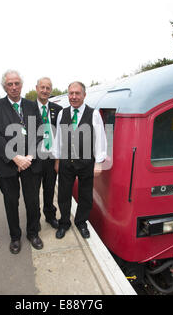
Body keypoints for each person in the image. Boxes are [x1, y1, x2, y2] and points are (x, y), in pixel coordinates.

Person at [0, 70, 43, 254]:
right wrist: (15, 157)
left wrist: (29, 156)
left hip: (30, 163)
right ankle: (15, 237)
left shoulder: (31, 105)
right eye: (10, 84)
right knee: (11, 202)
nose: (13, 87)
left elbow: (40, 132)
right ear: (4, 86)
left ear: (21, 85)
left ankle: (33, 233)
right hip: (7, 164)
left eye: (17, 83)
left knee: (33, 201)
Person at [53, 81, 107, 239]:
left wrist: (98, 162)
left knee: (85, 195)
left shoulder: (94, 114)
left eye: (77, 93)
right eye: (71, 93)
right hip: (66, 162)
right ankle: (64, 223)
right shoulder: (63, 113)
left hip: (86, 162)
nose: (74, 96)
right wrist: (57, 160)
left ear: (84, 95)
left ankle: (81, 222)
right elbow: (58, 140)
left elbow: (100, 140)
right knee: (63, 194)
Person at [35, 77, 62, 229]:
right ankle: (35, 219)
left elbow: (61, 136)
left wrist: (58, 159)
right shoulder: (28, 108)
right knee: (33, 193)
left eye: (48, 88)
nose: (45, 90)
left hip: (51, 158)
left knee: (50, 189)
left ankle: (50, 216)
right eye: (42, 87)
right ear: (37, 88)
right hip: (34, 158)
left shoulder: (57, 110)